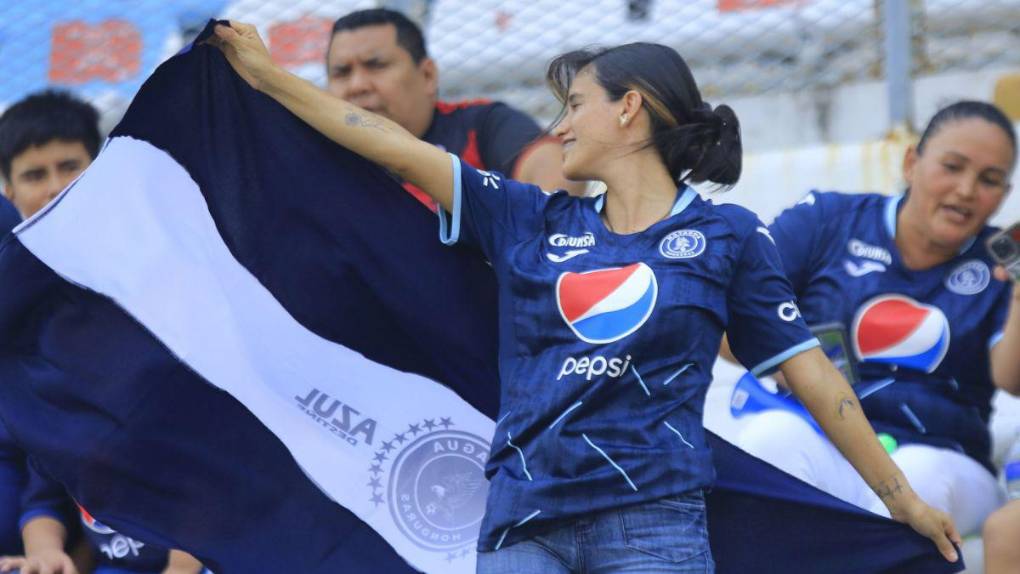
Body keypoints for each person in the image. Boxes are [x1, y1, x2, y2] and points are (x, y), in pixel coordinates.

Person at [211, 21, 959, 572]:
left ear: (629, 109)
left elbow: (814, 375)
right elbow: (386, 140)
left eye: (575, 104)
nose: (559, 125)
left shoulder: (727, 234)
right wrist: (268, 77)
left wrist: (899, 498)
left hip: (655, 525)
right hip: (522, 524)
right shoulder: (526, 216)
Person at [732, 101, 1019, 538]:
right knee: (770, 438)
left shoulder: (1000, 265)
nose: (966, 190)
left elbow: (1011, 378)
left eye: (989, 180)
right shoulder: (827, 220)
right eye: (952, 166)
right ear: (911, 163)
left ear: (1003, 194)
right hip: (826, 435)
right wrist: (791, 361)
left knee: (916, 476)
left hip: (945, 455)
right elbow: (727, 321)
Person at [0, 89, 207, 574]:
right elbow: (44, 481)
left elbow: (216, 459)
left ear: (103, 170)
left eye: (70, 166)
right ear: (8, 193)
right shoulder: (17, 303)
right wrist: (45, 556)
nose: (55, 187)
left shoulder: (164, 278)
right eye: (34, 174)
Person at [325, 8, 586, 203]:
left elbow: (557, 182)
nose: (357, 85)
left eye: (376, 65)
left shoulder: (482, 125)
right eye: (341, 72)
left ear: (427, 75)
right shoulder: (313, 155)